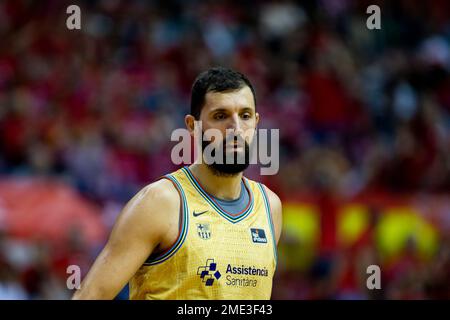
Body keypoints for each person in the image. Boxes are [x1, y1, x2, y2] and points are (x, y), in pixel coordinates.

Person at [72, 67, 282, 300]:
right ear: (193, 126)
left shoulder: (270, 207)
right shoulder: (160, 202)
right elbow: (90, 295)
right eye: (220, 116)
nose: (235, 128)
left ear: (256, 122)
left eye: (245, 116)